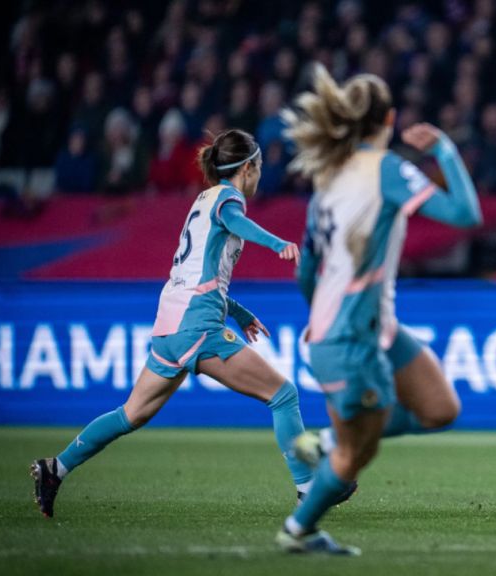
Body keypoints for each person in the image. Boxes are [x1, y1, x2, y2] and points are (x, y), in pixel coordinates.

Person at [31, 129, 313, 517]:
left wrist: (239, 311)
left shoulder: (202, 199)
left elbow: (197, 274)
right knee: (283, 395)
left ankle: (54, 469)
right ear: (248, 167)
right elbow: (236, 222)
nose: (260, 175)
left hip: (170, 324)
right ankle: (310, 490)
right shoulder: (230, 200)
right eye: (259, 168)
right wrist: (277, 242)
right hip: (196, 326)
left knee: (131, 414)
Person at [277, 66, 481, 554]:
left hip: (370, 328)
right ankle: (299, 529)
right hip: (351, 337)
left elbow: (306, 271)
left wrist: (324, 315)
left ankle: (325, 442)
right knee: (356, 453)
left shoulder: (328, 180)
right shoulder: (385, 168)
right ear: (389, 118)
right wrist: (444, 150)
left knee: (440, 408)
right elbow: (465, 215)